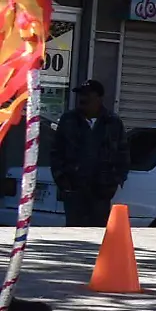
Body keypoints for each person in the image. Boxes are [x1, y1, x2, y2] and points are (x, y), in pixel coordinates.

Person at [48, 79, 128, 227]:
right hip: (74, 187)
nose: (83, 99)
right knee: (75, 230)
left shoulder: (112, 122)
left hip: (101, 189)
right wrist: (61, 178)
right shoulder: (68, 120)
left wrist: (116, 180)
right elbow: (56, 151)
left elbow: (122, 153)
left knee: (98, 231)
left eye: (88, 95)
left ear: (99, 98)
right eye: (81, 95)